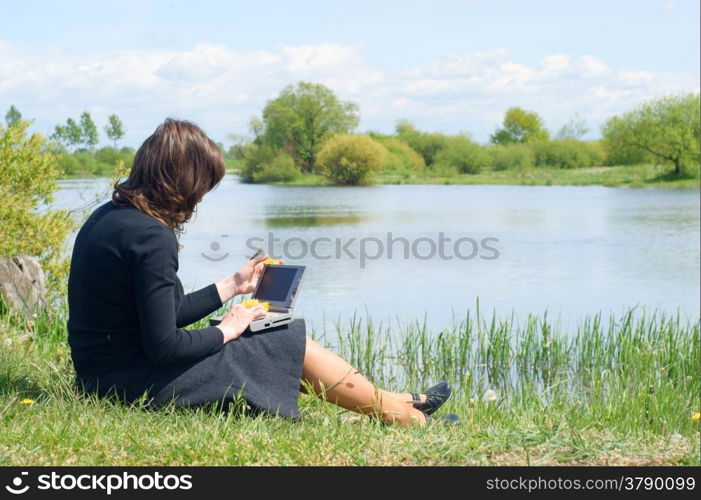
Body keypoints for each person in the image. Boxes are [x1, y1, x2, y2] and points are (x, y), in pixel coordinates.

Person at [67, 118, 457, 426]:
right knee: (279, 338)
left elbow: (160, 315)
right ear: (182, 180)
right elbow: (164, 346)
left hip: (103, 376)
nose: (201, 197)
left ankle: (396, 401)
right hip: (130, 384)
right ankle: (405, 417)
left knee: (268, 330)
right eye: (204, 185)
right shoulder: (153, 237)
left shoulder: (111, 216)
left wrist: (233, 285)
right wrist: (227, 329)